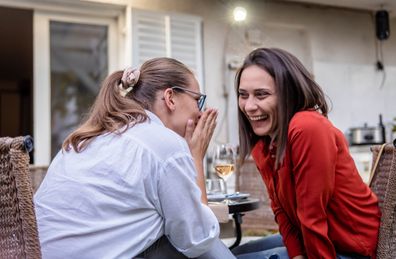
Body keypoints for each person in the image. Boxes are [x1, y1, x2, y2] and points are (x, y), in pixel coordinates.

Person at [34, 57, 236, 259]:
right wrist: (196, 157)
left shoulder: (84, 139)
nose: (200, 112)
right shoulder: (164, 144)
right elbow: (198, 238)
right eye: (197, 100)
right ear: (170, 97)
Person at [232, 48, 380, 259]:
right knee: (228, 254)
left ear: (288, 93)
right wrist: (296, 255)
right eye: (243, 95)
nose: (249, 106)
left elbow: (312, 215)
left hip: (349, 248)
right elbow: (281, 211)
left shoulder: (307, 127)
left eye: (261, 94)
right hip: (311, 237)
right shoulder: (264, 143)